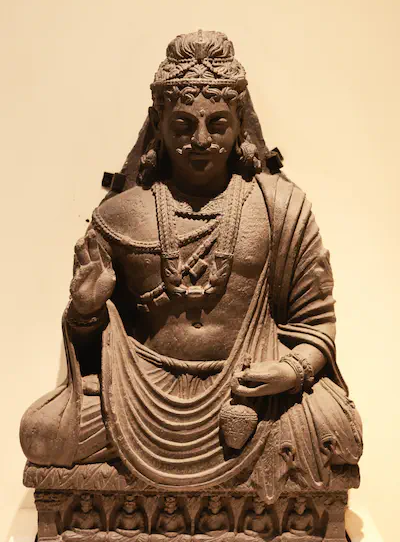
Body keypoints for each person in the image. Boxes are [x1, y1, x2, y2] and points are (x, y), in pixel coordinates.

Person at [20, 30, 362, 504]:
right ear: (157, 124)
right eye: (183, 126)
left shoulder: (282, 209)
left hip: (250, 392)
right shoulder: (119, 215)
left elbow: (316, 324)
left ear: (240, 124)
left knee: (341, 432)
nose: (201, 140)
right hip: (141, 392)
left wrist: (292, 371)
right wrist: (85, 312)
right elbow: (91, 354)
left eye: (217, 124)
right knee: (39, 433)